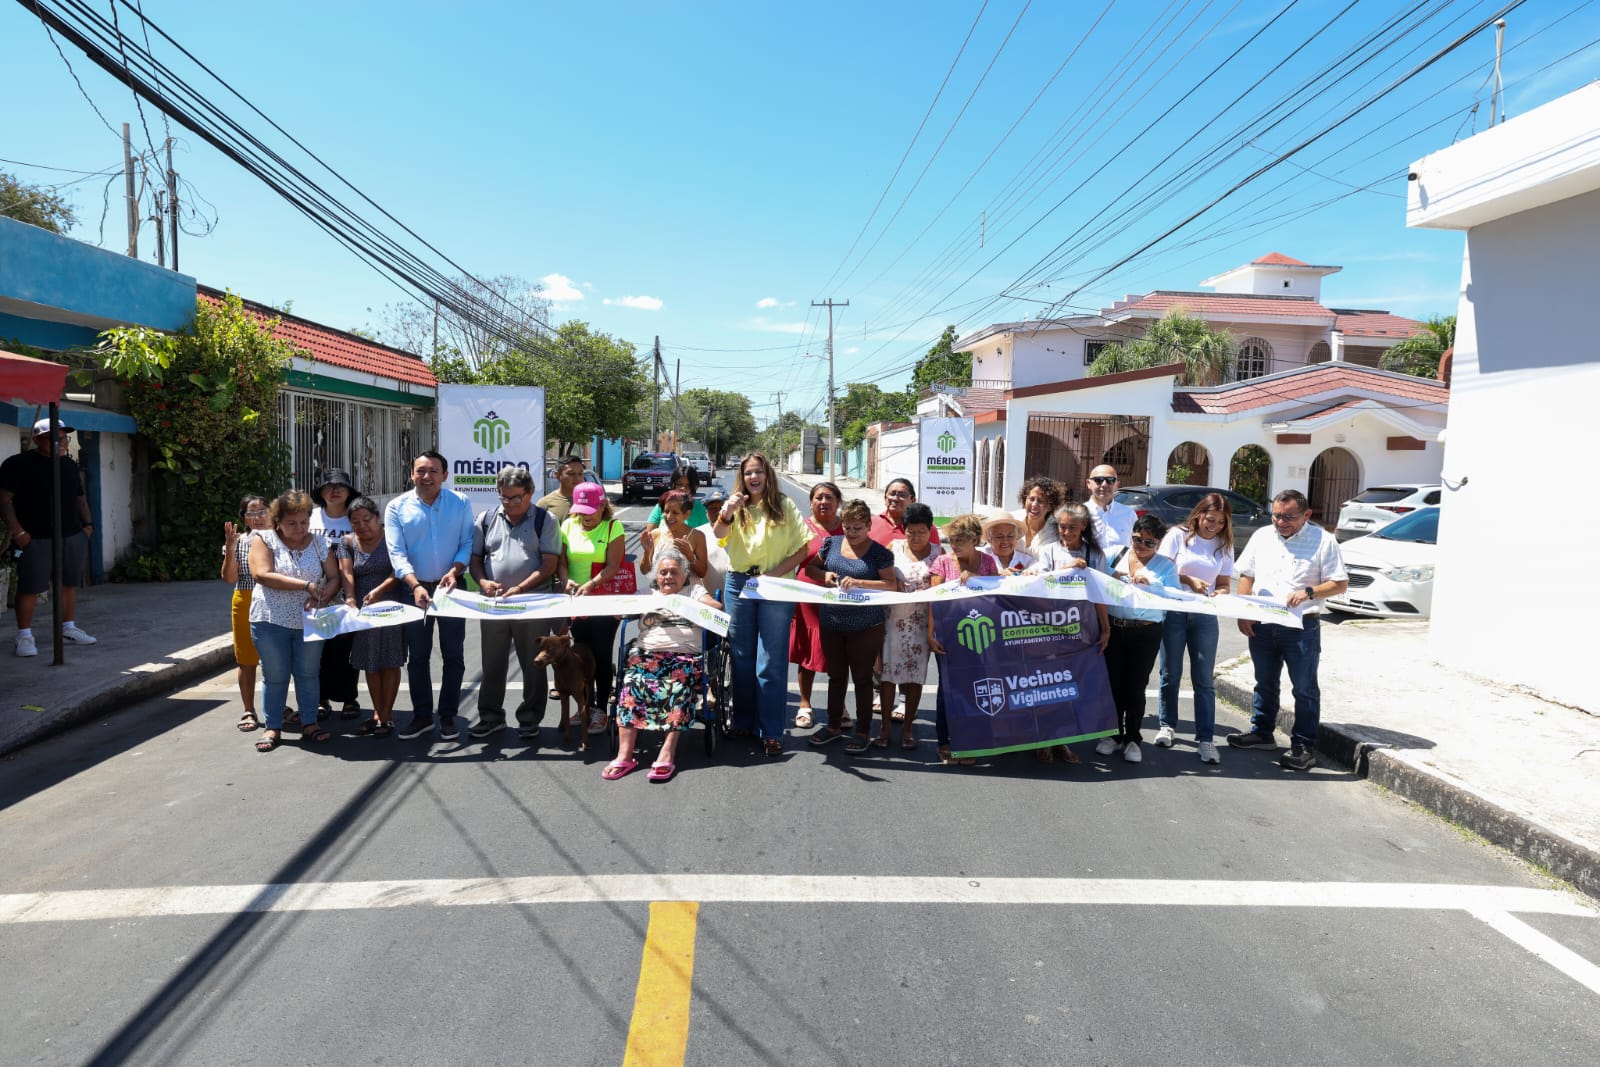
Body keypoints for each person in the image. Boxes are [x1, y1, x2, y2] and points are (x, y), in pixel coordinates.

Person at [1228, 489, 1349, 772]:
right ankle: (1262, 732)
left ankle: (1304, 746)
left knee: (1304, 688)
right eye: (1277, 516)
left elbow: (1339, 583)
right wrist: (1244, 612)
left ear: (1306, 515)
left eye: (1289, 517)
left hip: (1301, 626)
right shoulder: (1262, 536)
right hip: (1263, 622)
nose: (1281, 522)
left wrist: (1309, 592)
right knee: (1264, 681)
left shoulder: (1323, 540)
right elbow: (1247, 575)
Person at [711, 452, 810, 758]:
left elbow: (802, 548)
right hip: (739, 583)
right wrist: (726, 512)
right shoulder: (735, 507)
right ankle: (742, 721)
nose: (754, 478)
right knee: (741, 655)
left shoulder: (785, 505)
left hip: (775, 585)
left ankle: (770, 730)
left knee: (770, 659)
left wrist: (772, 575)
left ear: (768, 475)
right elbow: (719, 536)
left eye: (759, 472)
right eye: (749, 473)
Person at [603, 547, 720, 783]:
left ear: (684, 574)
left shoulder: (694, 591)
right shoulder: (648, 594)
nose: (668, 577)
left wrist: (685, 606)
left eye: (673, 572)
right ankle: (625, 755)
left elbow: (717, 610)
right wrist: (623, 606)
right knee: (631, 683)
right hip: (647, 655)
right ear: (656, 576)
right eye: (663, 572)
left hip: (683, 656)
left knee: (678, 687)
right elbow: (619, 615)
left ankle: (667, 751)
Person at [384, 450, 475, 742]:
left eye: (434, 471)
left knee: (454, 655)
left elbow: (467, 542)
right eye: (421, 471)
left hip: (452, 587)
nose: (427, 477)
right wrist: (414, 585)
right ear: (411, 474)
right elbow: (396, 554)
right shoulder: (396, 507)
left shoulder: (460, 502)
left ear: (445, 475)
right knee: (418, 656)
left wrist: (455, 569)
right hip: (414, 590)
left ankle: (448, 716)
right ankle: (422, 715)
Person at [469, 466, 561, 743]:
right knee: (492, 663)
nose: (509, 503)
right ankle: (491, 717)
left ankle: (530, 718)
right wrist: (483, 583)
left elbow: (549, 564)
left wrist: (520, 587)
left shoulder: (545, 520)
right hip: (495, 604)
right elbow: (475, 559)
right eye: (504, 497)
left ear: (530, 493)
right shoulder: (485, 519)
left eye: (516, 498)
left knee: (533, 664)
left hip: (532, 604)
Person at [247, 490, 341, 752]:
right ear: (277, 521)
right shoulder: (263, 540)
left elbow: (334, 578)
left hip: (308, 621)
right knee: (275, 675)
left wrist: (322, 598)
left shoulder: (320, 543)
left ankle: (310, 723)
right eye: (292, 523)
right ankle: (273, 726)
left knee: (308, 674)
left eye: (304, 522)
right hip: (269, 619)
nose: (299, 528)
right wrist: (307, 585)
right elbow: (262, 574)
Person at [805, 499, 898, 753]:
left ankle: (863, 730)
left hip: (866, 625)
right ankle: (833, 726)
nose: (851, 532)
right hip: (832, 622)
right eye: (847, 527)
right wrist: (823, 575)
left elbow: (891, 585)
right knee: (836, 677)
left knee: (863, 679)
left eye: (857, 527)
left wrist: (860, 582)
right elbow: (811, 568)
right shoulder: (831, 544)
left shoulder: (880, 553)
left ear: (868, 525)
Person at [0, 418, 96, 657]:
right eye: (54, 438)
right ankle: (24, 636)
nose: (61, 442)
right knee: (31, 586)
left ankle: (69, 628)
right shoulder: (18, 464)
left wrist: (88, 526)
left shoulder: (69, 465)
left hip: (72, 534)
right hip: (35, 536)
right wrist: (18, 532)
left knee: (69, 583)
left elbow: (80, 498)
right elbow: (3, 499)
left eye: (64, 438)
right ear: (36, 440)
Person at [1155, 492, 1236, 764]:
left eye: (1220, 523)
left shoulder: (1224, 545)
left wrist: (1221, 593)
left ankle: (1206, 738)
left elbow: (1224, 582)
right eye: (1209, 520)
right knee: (1171, 672)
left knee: (1203, 679)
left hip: (1204, 616)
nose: (1213, 526)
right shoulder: (1178, 535)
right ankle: (1167, 725)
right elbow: (1160, 571)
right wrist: (1188, 580)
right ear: (1198, 514)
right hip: (1175, 611)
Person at [1029, 502, 1111, 764]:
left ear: (1083, 527)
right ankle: (1043, 741)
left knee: (1070, 688)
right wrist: (1067, 569)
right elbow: (1038, 584)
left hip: (1082, 628)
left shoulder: (1095, 554)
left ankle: (1061, 741)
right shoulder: (1048, 551)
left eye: (1072, 527)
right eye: (1062, 527)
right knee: (1049, 686)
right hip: (1051, 627)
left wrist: (1105, 627)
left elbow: (1101, 592)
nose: (1065, 532)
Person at [1098, 515, 1181, 764]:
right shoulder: (1114, 554)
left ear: (1159, 543)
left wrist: (1151, 586)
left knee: (1136, 686)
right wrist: (1111, 576)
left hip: (1146, 631)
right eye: (1137, 539)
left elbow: (1175, 597)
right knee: (1113, 683)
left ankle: (1133, 738)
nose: (1142, 546)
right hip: (1115, 627)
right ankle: (1113, 735)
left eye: (1149, 542)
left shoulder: (1166, 566)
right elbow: (1095, 578)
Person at [926, 514, 1000, 767]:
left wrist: (979, 579)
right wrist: (930, 634)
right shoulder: (942, 562)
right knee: (947, 689)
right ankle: (944, 742)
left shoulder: (988, 562)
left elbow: (998, 595)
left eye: (960, 541)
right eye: (952, 540)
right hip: (947, 635)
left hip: (981, 635)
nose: (954, 545)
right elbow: (933, 600)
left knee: (976, 687)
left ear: (974, 541)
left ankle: (970, 742)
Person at [560, 480, 628, 735]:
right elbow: (562, 562)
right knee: (580, 656)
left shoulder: (613, 527)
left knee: (600, 656)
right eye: (580, 511)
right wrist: (566, 579)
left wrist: (591, 584)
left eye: (590, 512)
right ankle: (584, 706)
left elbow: (613, 565)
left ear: (602, 507)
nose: (585, 517)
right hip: (577, 604)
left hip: (604, 603)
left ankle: (600, 709)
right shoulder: (567, 525)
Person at [337, 497, 406, 737]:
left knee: (390, 660)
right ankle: (378, 712)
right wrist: (350, 597)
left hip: (390, 606)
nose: (362, 525)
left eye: (366, 520)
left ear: (378, 518)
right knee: (370, 662)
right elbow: (346, 573)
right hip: (364, 612)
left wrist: (381, 590)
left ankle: (387, 715)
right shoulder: (346, 543)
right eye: (355, 522)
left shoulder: (393, 536)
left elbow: (399, 570)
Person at [880, 501, 942, 750]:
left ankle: (907, 728)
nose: (916, 536)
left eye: (922, 531)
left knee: (915, 677)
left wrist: (931, 632)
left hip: (920, 627)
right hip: (890, 624)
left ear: (930, 530)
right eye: (911, 531)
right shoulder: (891, 549)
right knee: (886, 676)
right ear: (903, 529)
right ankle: (884, 728)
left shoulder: (939, 554)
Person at [788, 481, 843, 730]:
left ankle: (838, 707)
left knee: (840, 655)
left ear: (838, 502)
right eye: (819, 497)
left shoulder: (848, 528)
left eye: (829, 497)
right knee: (807, 654)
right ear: (810, 502)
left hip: (841, 600)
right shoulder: (801, 528)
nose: (824, 502)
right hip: (807, 599)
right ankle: (805, 705)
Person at [310, 468, 361, 722]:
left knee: (346, 650)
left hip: (347, 594)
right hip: (313, 594)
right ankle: (321, 699)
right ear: (320, 492)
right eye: (329, 486)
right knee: (317, 649)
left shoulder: (356, 519)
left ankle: (349, 698)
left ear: (349, 491)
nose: (335, 490)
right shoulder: (310, 518)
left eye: (341, 486)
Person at [221, 493, 272, 732]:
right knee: (246, 659)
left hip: (276, 599)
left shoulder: (284, 538)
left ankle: (277, 707)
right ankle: (249, 709)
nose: (258, 517)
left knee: (277, 659)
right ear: (244, 518)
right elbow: (229, 578)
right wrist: (230, 549)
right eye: (252, 513)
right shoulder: (239, 541)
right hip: (245, 599)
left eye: (263, 511)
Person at [639, 489, 709, 582]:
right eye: (666, 511)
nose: (669, 516)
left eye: (675, 513)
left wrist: (690, 556)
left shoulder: (697, 536)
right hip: (661, 593)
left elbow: (702, 573)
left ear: (687, 514)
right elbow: (644, 571)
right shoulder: (655, 535)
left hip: (689, 593)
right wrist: (646, 552)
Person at [870, 478, 941, 546]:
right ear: (885, 498)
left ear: (913, 500)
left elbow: (937, 556)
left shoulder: (926, 528)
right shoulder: (870, 523)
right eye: (892, 494)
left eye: (902, 495)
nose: (896, 499)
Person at [1085, 464, 1135, 555]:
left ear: (1117, 485)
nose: (1104, 484)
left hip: (1120, 569)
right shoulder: (1081, 513)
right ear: (1088, 484)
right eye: (1098, 480)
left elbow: (1136, 546)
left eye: (1110, 480)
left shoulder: (1129, 514)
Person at [643, 469, 709, 538]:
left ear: (695, 487)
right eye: (679, 484)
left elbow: (707, 540)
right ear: (673, 485)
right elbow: (649, 538)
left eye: (688, 485)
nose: (683, 488)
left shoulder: (700, 510)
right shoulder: (661, 506)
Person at [1012, 476, 1061, 556]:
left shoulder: (1055, 533)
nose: (1034, 505)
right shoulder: (1013, 520)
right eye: (1031, 499)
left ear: (1050, 506)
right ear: (1024, 500)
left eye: (1041, 501)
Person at [977, 506, 1034, 574]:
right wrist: (998, 575)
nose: (1005, 541)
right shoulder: (979, 558)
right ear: (989, 538)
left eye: (1010, 536)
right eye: (999, 536)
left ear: (1016, 538)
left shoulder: (1027, 561)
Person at [537, 454, 585, 522]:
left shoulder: (592, 500)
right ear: (557, 475)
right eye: (571, 473)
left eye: (580, 473)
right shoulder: (544, 504)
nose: (577, 478)